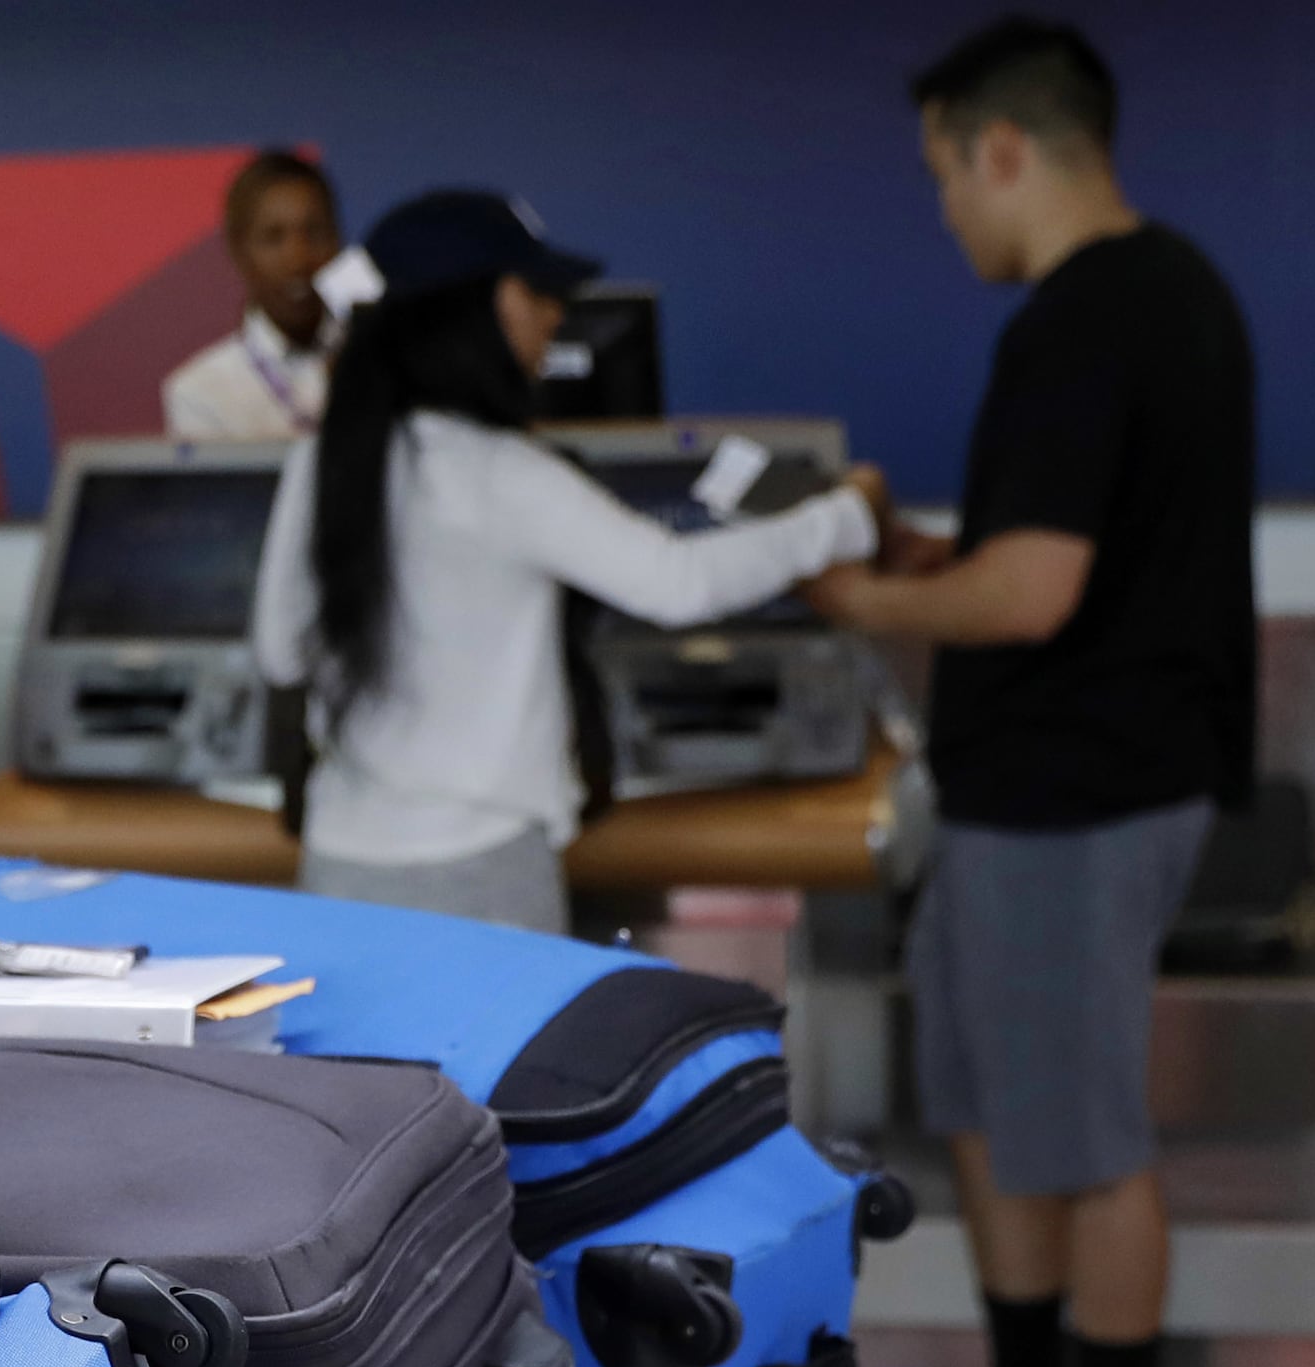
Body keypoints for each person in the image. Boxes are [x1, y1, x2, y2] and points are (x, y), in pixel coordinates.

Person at [816, 21, 1252, 1367]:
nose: (945, 208)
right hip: (1036, 784)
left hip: (1083, 786)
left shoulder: (1088, 320)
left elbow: (1036, 596)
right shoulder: (1163, 296)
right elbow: (1054, 556)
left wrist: (867, 603)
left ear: (1005, 147)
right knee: (999, 1111)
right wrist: (940, 559)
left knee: (1079, 1127)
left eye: (945, 171)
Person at [249, 190, 887, 935]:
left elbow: (280, 654)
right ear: (466, 310)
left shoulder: (321, 461)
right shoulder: (499, 473)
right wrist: (843, 518)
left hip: (339, 864)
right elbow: (677, 583)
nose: (557, 313)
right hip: (480, 872)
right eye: (534, 292)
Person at [164, 151, 345, 443]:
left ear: (338, 239)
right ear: (239, 252)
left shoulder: (387, 365)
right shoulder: (200, 392)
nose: (298, 258)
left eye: (314, 232)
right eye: (273, 237)